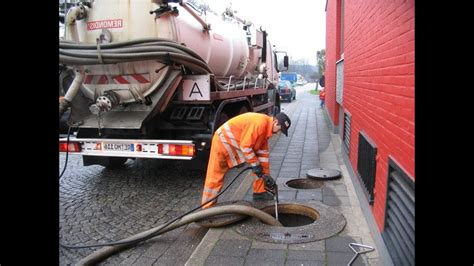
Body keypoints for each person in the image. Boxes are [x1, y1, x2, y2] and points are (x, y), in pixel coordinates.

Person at [201, 112, 292, 208]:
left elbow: (263, 160)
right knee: (215, 176)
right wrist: (255, 164)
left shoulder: (265, 132)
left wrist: (266, 177)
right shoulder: (260, 124)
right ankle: (207, 207)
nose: (278, 132)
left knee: (259, 165)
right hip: (222, 142)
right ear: (275, 122)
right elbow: (245, 147)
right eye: (280, 129)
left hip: (232, 144)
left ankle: (259, 193)